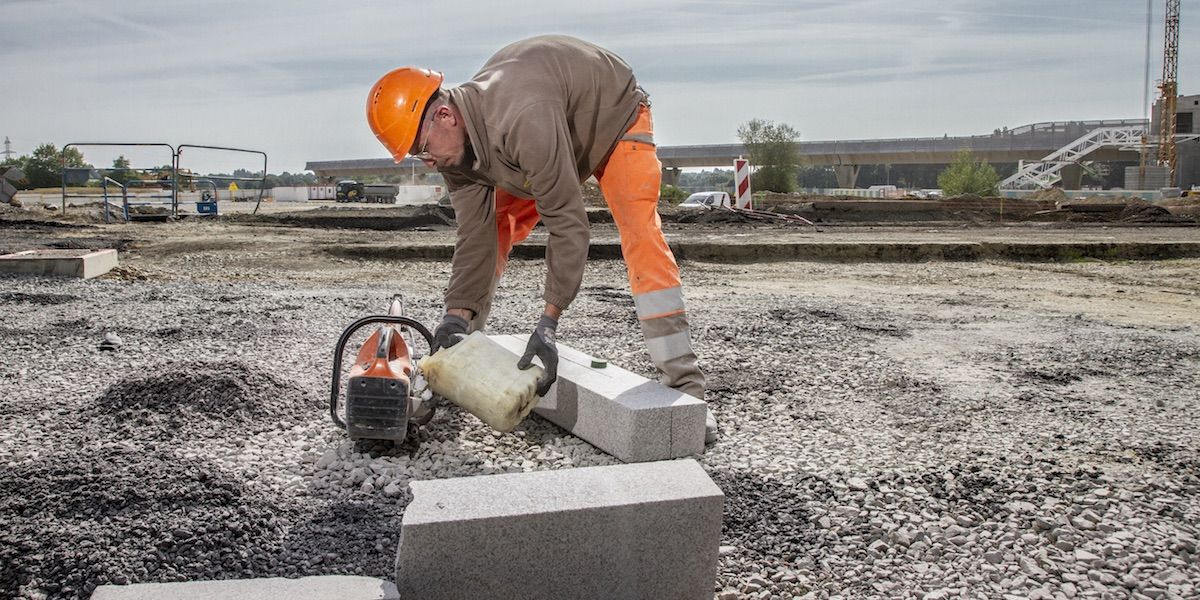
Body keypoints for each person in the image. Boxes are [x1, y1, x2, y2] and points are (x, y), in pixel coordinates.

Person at [366, 35, 717, 443]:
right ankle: (458, 359)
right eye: (414, 155)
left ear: (445, 115)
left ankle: (685, 388)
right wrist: (454, 316)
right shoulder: (456, 150)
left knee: (639, 232)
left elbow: (568, 222)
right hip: (546, 138)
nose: (425, 162)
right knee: (494, 228)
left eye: (422, 149)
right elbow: (475, 235)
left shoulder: (519, 119)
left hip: (614, 117)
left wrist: (548, 324)